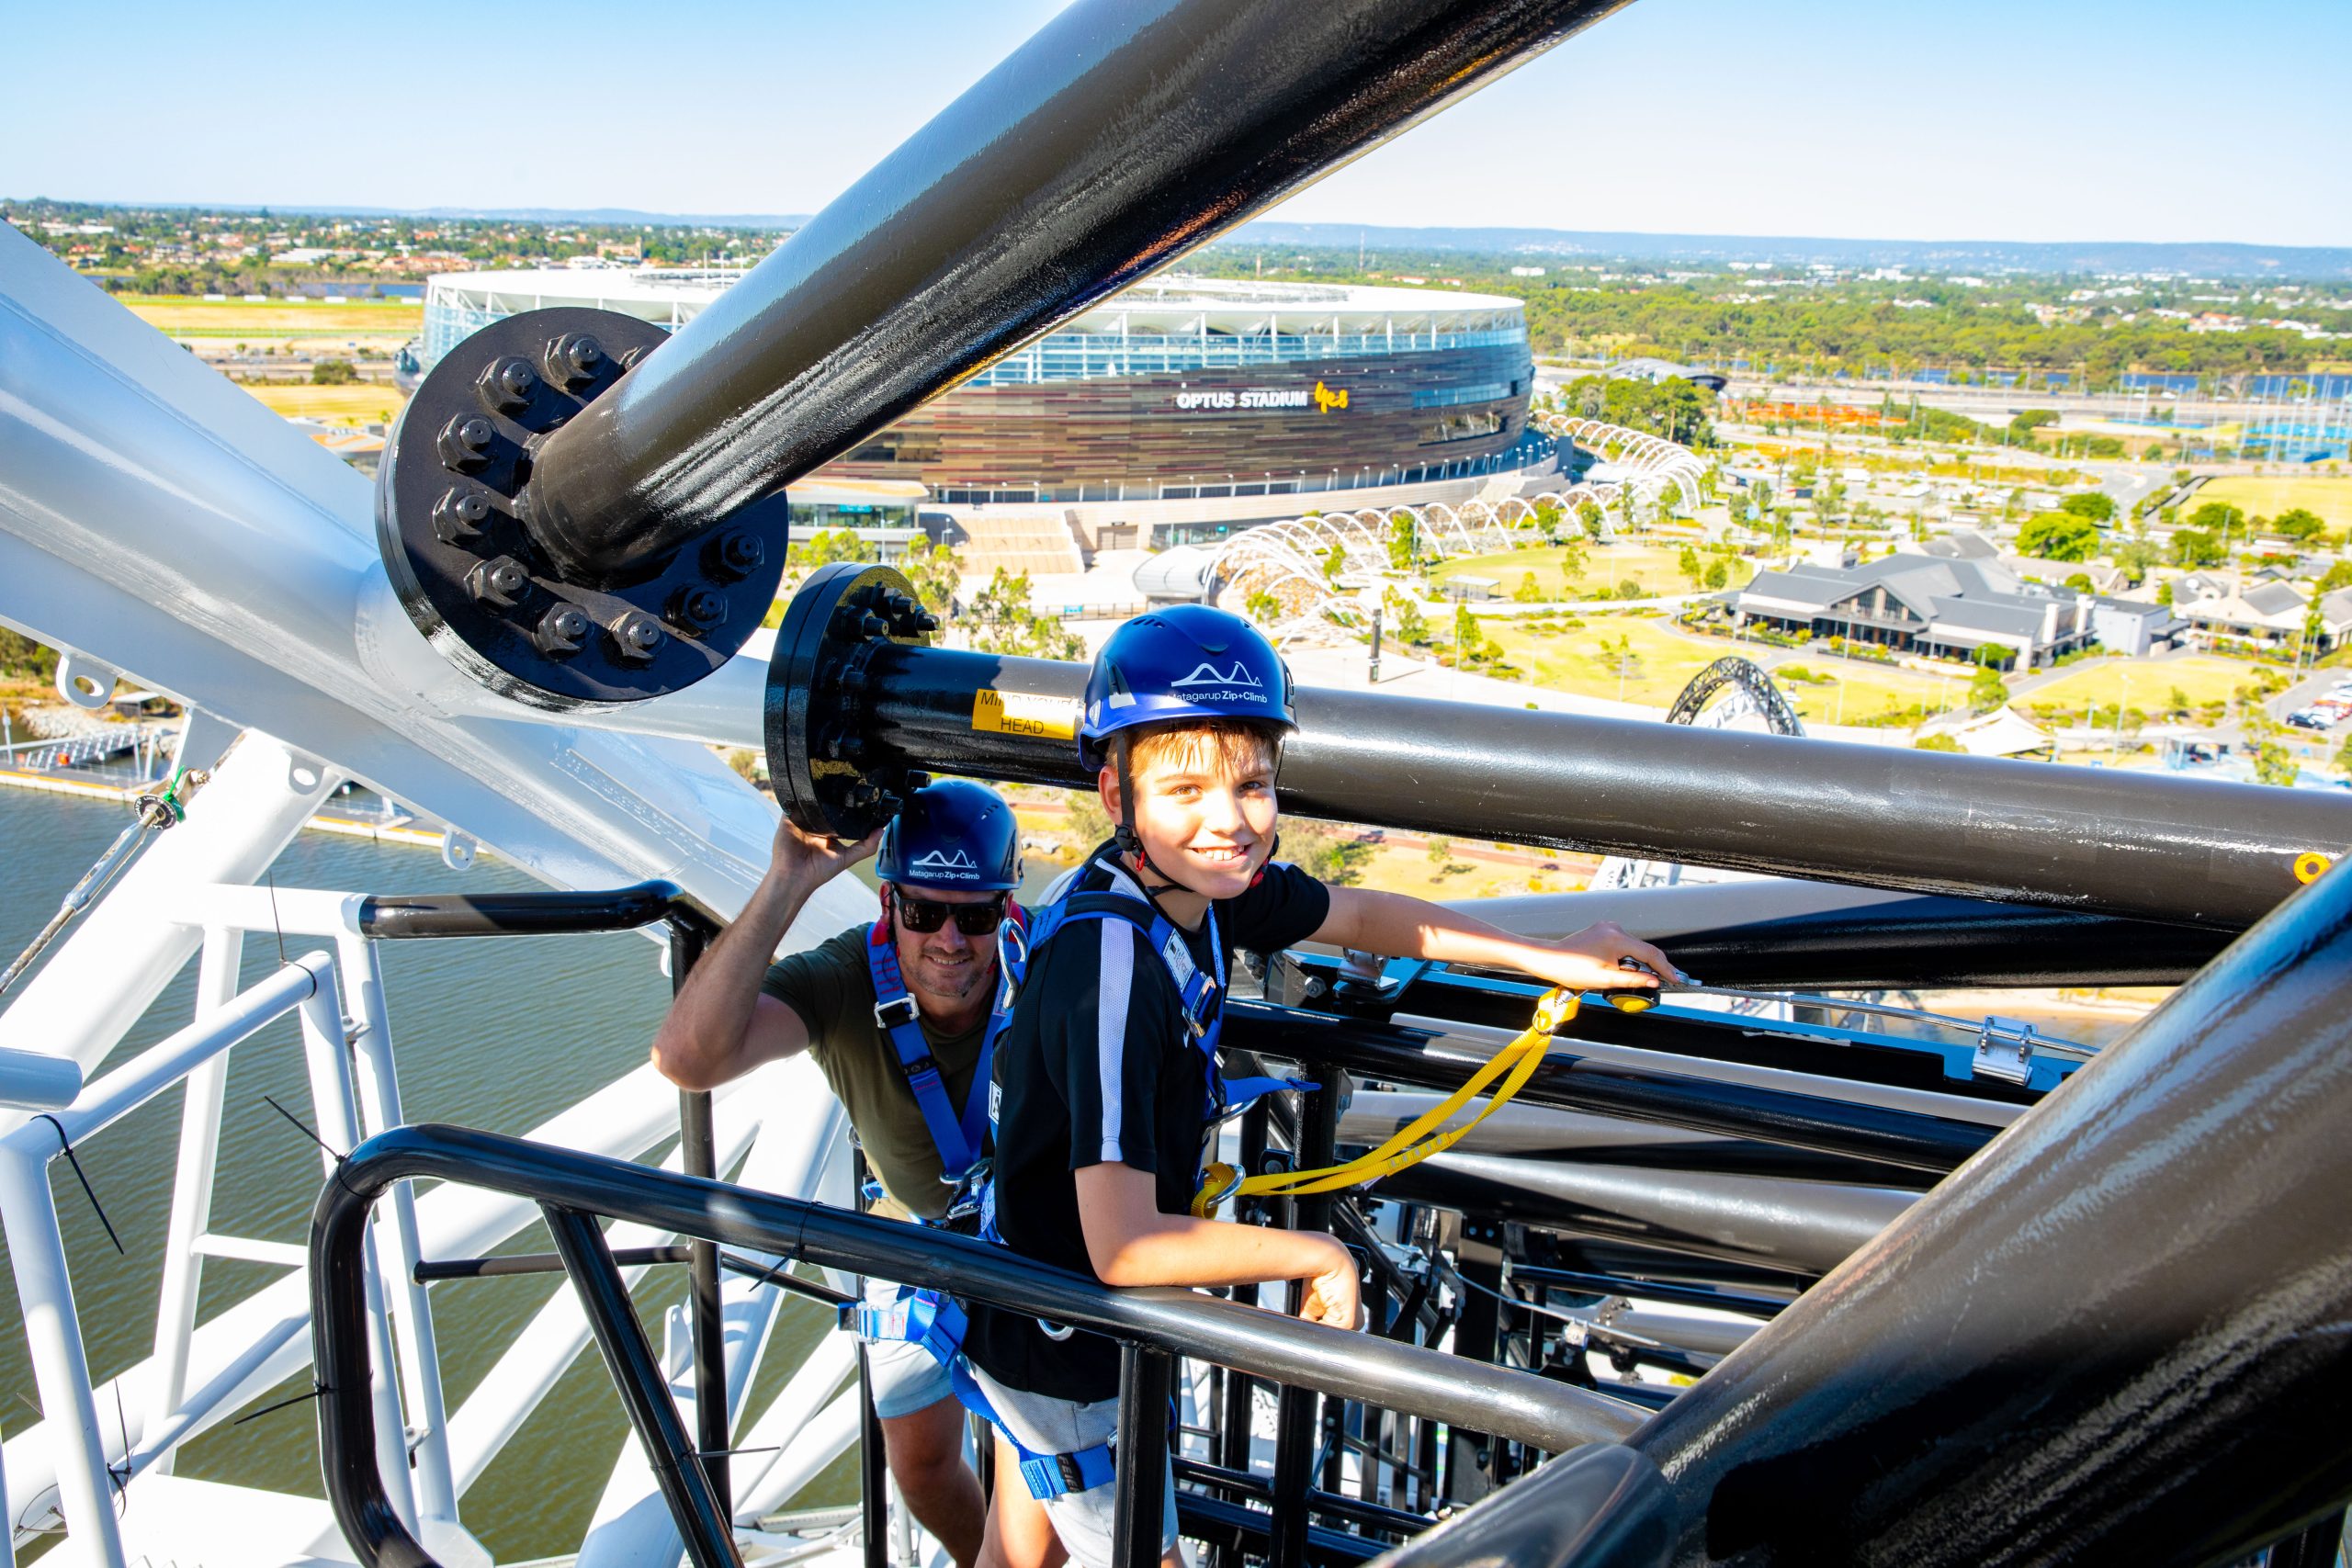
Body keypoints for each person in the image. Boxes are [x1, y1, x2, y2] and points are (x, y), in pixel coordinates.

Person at [963, 605, 1678, 1568]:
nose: (1228, 821)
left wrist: (1549, 956)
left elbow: (1365, 915)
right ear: (1115, 793)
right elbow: (1125, 1244)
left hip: (1032, 1302)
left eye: (1252, 785)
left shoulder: (1187, 886)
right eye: (1184, 789)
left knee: (1019, 1558)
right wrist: (1318, 1257)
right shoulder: (1112, 963)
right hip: (1071, 1334)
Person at [652, 779, 1031, 1568]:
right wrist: (788, 880)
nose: (949, 939)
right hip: (913, 1248)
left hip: (1033, 1248)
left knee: (1046, 1474)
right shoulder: (844, 978)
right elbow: (687, 1059)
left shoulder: (1044, 964)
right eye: (923, 911)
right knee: (921, 1470)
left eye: (975, 916)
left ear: (1006, 910)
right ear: (888, 904)